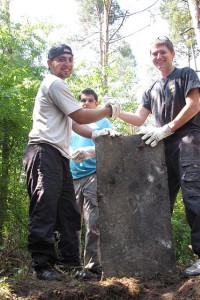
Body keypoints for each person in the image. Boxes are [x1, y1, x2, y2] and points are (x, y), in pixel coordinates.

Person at [111, 36, 200, 277]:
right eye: (154, 53)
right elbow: (140, 119)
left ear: (172, 53)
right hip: (162, 146)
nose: (158, 56)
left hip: (187, 139)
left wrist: (168, 128)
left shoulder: (185, 74)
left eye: (162, 52)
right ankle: (155, 258)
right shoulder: (151, 89)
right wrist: (117, 112)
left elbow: (193, 105)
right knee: (160, 199)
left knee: (194, 192)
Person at [22, 44, 120, 281]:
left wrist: (95, 135)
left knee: (68, 211)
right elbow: (79, 115)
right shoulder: (54, 83)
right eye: (60, 59)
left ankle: (70, 264)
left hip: (59, 156)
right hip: (43, 151)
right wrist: (108, 111)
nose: (67, 64)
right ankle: (42, 265)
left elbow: (75, 124)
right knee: (45, 207)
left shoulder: (60, 88)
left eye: (70, 59)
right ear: (49, 63)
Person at [69, 88, 117, 280]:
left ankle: (93, 268)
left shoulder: (103, 121)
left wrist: (91, 150)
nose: (86, 103)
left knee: (93, 221)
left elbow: (113, 144)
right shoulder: (72, 121)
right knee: (71, 223)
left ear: (96, 104)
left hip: (92, 175)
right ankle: (71, 265)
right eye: (82, 100)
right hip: (71, 177)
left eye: (90, 100)